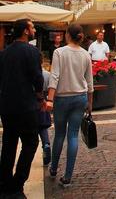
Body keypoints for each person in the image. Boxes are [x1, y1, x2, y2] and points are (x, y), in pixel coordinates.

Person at [46, 23, 94, 189]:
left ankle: (53, 169)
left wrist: (50, 99)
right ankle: (67, 177)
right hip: (80, 97)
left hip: (62, 98)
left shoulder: (59, 52)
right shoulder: (86, 54)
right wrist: (90, 103)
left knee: (59, 134)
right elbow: (90, 82)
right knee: (73, 135)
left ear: (67, 35)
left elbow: (54, 77)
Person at [0, 18, 44, 198]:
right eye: (32, 27)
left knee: (9, 144)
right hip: (26, 106)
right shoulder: (31, 52)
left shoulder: (3, 53)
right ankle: (17, 184)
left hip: (7, 106)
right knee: (31, 143)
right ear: (26, 31)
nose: (34, 29)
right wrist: (40, 96)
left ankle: (4, 184)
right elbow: (38, 78)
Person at [39, 53, 52, 166]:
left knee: (32, 128)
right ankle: (46, 144)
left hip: (32, 102)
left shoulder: (28, 73)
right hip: (43, 102)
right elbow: (50, 89)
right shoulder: (47, 74)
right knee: (43, 127)